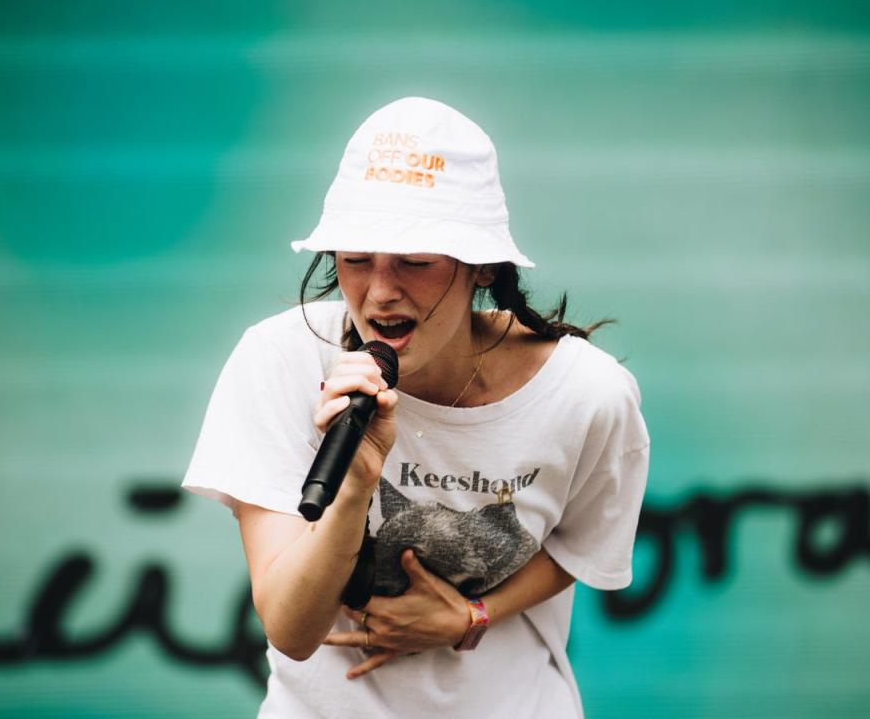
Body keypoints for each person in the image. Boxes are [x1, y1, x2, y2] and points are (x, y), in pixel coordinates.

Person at [183, 97, 650, 718]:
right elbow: (291, 631)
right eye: (355, 259)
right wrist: (355, 486)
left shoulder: (588, 394)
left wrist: (468, 615)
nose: (380, 292)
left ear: (482, 266)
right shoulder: (281, 359)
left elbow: (579, 546)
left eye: (414, 261)